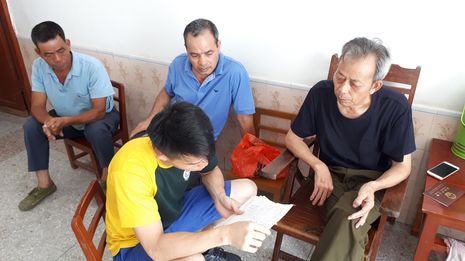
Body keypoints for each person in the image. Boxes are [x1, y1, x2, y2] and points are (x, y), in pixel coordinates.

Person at [285, 37, 415, 261]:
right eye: (339, 76)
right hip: (331, 176)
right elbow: (292, 138)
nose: (342, 89)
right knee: (351, 225)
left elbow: (403, 166)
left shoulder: (396, 108)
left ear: (375, 85)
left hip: (371, 180)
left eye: (355, 83)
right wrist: (318, 165)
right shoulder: (320, 93)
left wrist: (374, 186)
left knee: (348, 217)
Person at [106, 102, 270, 260]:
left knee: (247, 189)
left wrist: (219, 196)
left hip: (174, 212)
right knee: (194, 260)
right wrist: (225, 235)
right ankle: (200, 248)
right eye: (194, 164)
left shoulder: (189, 141)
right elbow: (155, 247)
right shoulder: (131, 172)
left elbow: (210, 170)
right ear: (163, 156)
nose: (204, 164)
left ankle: (203, 247)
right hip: (138, 244)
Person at [19, 21, 119, 211]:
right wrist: (49, 122)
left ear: (68, 43)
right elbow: (37, 105)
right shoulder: (39, 67)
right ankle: (44, 184)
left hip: (101, 117)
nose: (57, 59)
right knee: (32, 126)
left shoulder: (92, 67)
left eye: (61, 50)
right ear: (38, 52)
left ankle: (108, 180)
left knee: (96, 129)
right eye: (49, 54)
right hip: (66, 118)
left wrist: (65, 121)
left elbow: (98, 111)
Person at [130, 18, 255, 140]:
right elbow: (167, 92)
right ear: (187, 50)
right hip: (168, 129)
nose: (202, 62)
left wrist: (254, 151)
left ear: (218, 45)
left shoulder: (235, 72)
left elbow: (245, 118)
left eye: (209, 53)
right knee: (135, 151)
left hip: (200, 142)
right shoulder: (178, 63)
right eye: (194, 55)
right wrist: (150, 119)